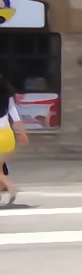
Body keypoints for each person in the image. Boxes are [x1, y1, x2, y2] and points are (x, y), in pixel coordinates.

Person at [0, 75, 27, 205]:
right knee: (0, 169)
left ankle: (11, 188)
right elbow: (15, 117)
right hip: (7, 135)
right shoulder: (8, 99)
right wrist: (22, 134)